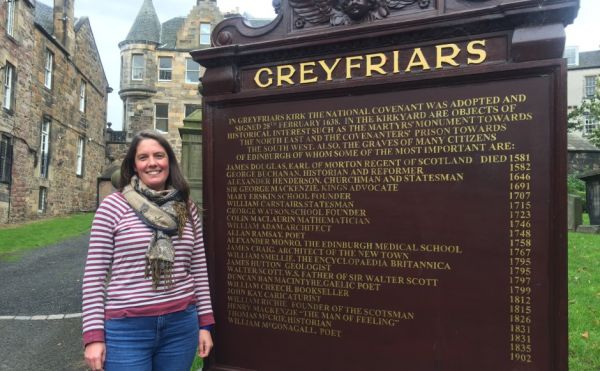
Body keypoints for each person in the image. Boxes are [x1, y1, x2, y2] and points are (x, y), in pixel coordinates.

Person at [82, 130, 214, 371]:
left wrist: (205, 324)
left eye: (159, 155)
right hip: (126, 330)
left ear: (169, 162)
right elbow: (94, 275)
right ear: (134, 165)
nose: (152, 163)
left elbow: (198, 267)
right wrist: (93, 336)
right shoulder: (113, 207)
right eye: (143, 157)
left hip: (181, 325)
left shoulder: (186, 208)